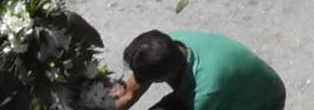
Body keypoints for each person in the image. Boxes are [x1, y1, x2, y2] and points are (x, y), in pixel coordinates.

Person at [116, 28, 285, 110]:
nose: (135, 78)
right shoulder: (166, 46)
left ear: (162, 78)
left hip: (262, 103)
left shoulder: (205, 92)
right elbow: (127, 94)